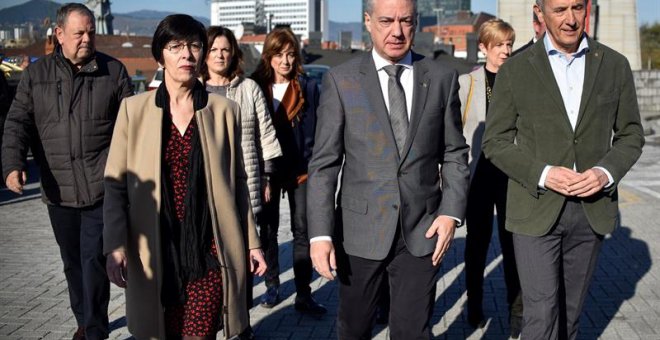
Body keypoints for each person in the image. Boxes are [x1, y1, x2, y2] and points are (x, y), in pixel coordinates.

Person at [482, 0, 645, 339]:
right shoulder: (515, 69)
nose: (571, 19)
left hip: (591, 211)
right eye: (560, 10)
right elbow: (494, 142)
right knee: (540, 315)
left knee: (570, 319)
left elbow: (631, 135)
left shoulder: (614, 65)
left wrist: (605, 172)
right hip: (535, 207)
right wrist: (544, 173)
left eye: (577, 8)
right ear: (539, 12)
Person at [307, 0, 470, 338]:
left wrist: (450, 213)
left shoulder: (441, 78)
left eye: (406, 21)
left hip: (422, 231)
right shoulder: (342, 80)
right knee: (354, 329)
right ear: (368, 21)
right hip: (359, 232)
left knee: (413, 331)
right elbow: (324, 164)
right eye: (386, 21)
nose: (397, 31)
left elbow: (455, 152)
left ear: (416, 22)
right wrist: (320, 235)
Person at [103, 14, 266, 339]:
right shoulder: (134, 111)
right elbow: (115, 185)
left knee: (198, 334)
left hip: (209, 249)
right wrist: (114, 245)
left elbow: (238, 184)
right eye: (176, 46)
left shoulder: (224, 111)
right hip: (154, 251)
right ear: (160, 55)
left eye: (194, 46)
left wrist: (251, 242)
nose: (187, 55)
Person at [1, 3, 133, 339]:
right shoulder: (36, 75)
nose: (87, 38)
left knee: (92, 261)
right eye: (79, 33)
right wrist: (13, 165)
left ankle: (94, 328)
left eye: (91, 31)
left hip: (101, 186)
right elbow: (18, 123)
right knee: (72, 261)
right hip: (58, 188)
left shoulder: (113, 72)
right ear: (59, 34)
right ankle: (82, 318)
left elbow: (132, 129)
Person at [250, 27, 325, 315]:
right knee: (267, 230)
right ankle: (272, 285)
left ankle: (303, 293)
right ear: (268, 57)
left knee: (302, 230)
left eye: (291, 54)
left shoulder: (307, 87)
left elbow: (318, 127)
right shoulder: (255, 86)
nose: (286, 61)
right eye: (279, 55)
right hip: (267, 170)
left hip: (301, 169)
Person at [459, 18, 523, 336]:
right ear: (484, 48)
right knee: (477, 245)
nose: (506, 51)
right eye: (499, 45)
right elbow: (454, 133)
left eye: (509, 44)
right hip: (478, 176)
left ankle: (516, 310)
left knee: (513, 246)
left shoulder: (519, 81)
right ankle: (475, 305)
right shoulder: (467, 83)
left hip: (510, 176)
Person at [202, 26, 282, 221]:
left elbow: (265, 134)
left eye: (225, 50)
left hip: (244, 175)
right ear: (204, 53)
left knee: (244, 238)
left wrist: (266, 177)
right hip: (205, 176)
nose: (219, 55)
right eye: (213, 49)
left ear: (233, 54)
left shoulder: (249, 88)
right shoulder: (195, 90)